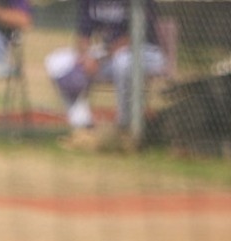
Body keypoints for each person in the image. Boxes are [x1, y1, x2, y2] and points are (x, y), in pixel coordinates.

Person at [44, 0, 168, 147]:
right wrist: (86, 57)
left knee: (123, 62)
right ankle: (83, 126)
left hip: (147, 53)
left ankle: (125, 128)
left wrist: (100, 58)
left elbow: (135, 36)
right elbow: (83, 35)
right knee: (56, 62)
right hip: (108, 55)